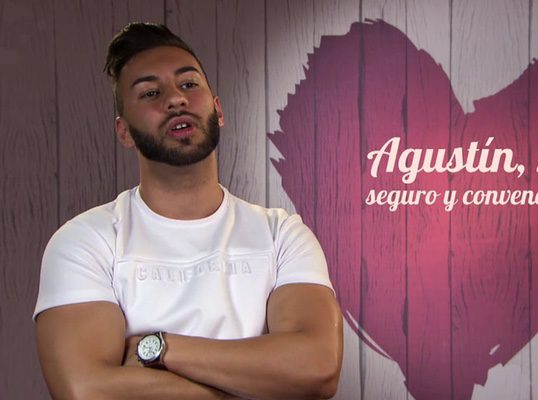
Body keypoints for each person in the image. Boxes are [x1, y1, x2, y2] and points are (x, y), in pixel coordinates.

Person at [33, 22, 342, 400]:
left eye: (189, 84)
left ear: (218, 110)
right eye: (150, 92)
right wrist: (255, 381)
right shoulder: (85, 241)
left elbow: (317, 368)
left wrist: (157, 348)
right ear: (124, 131)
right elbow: (86, 390)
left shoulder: (282, 235)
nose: (176, 99)